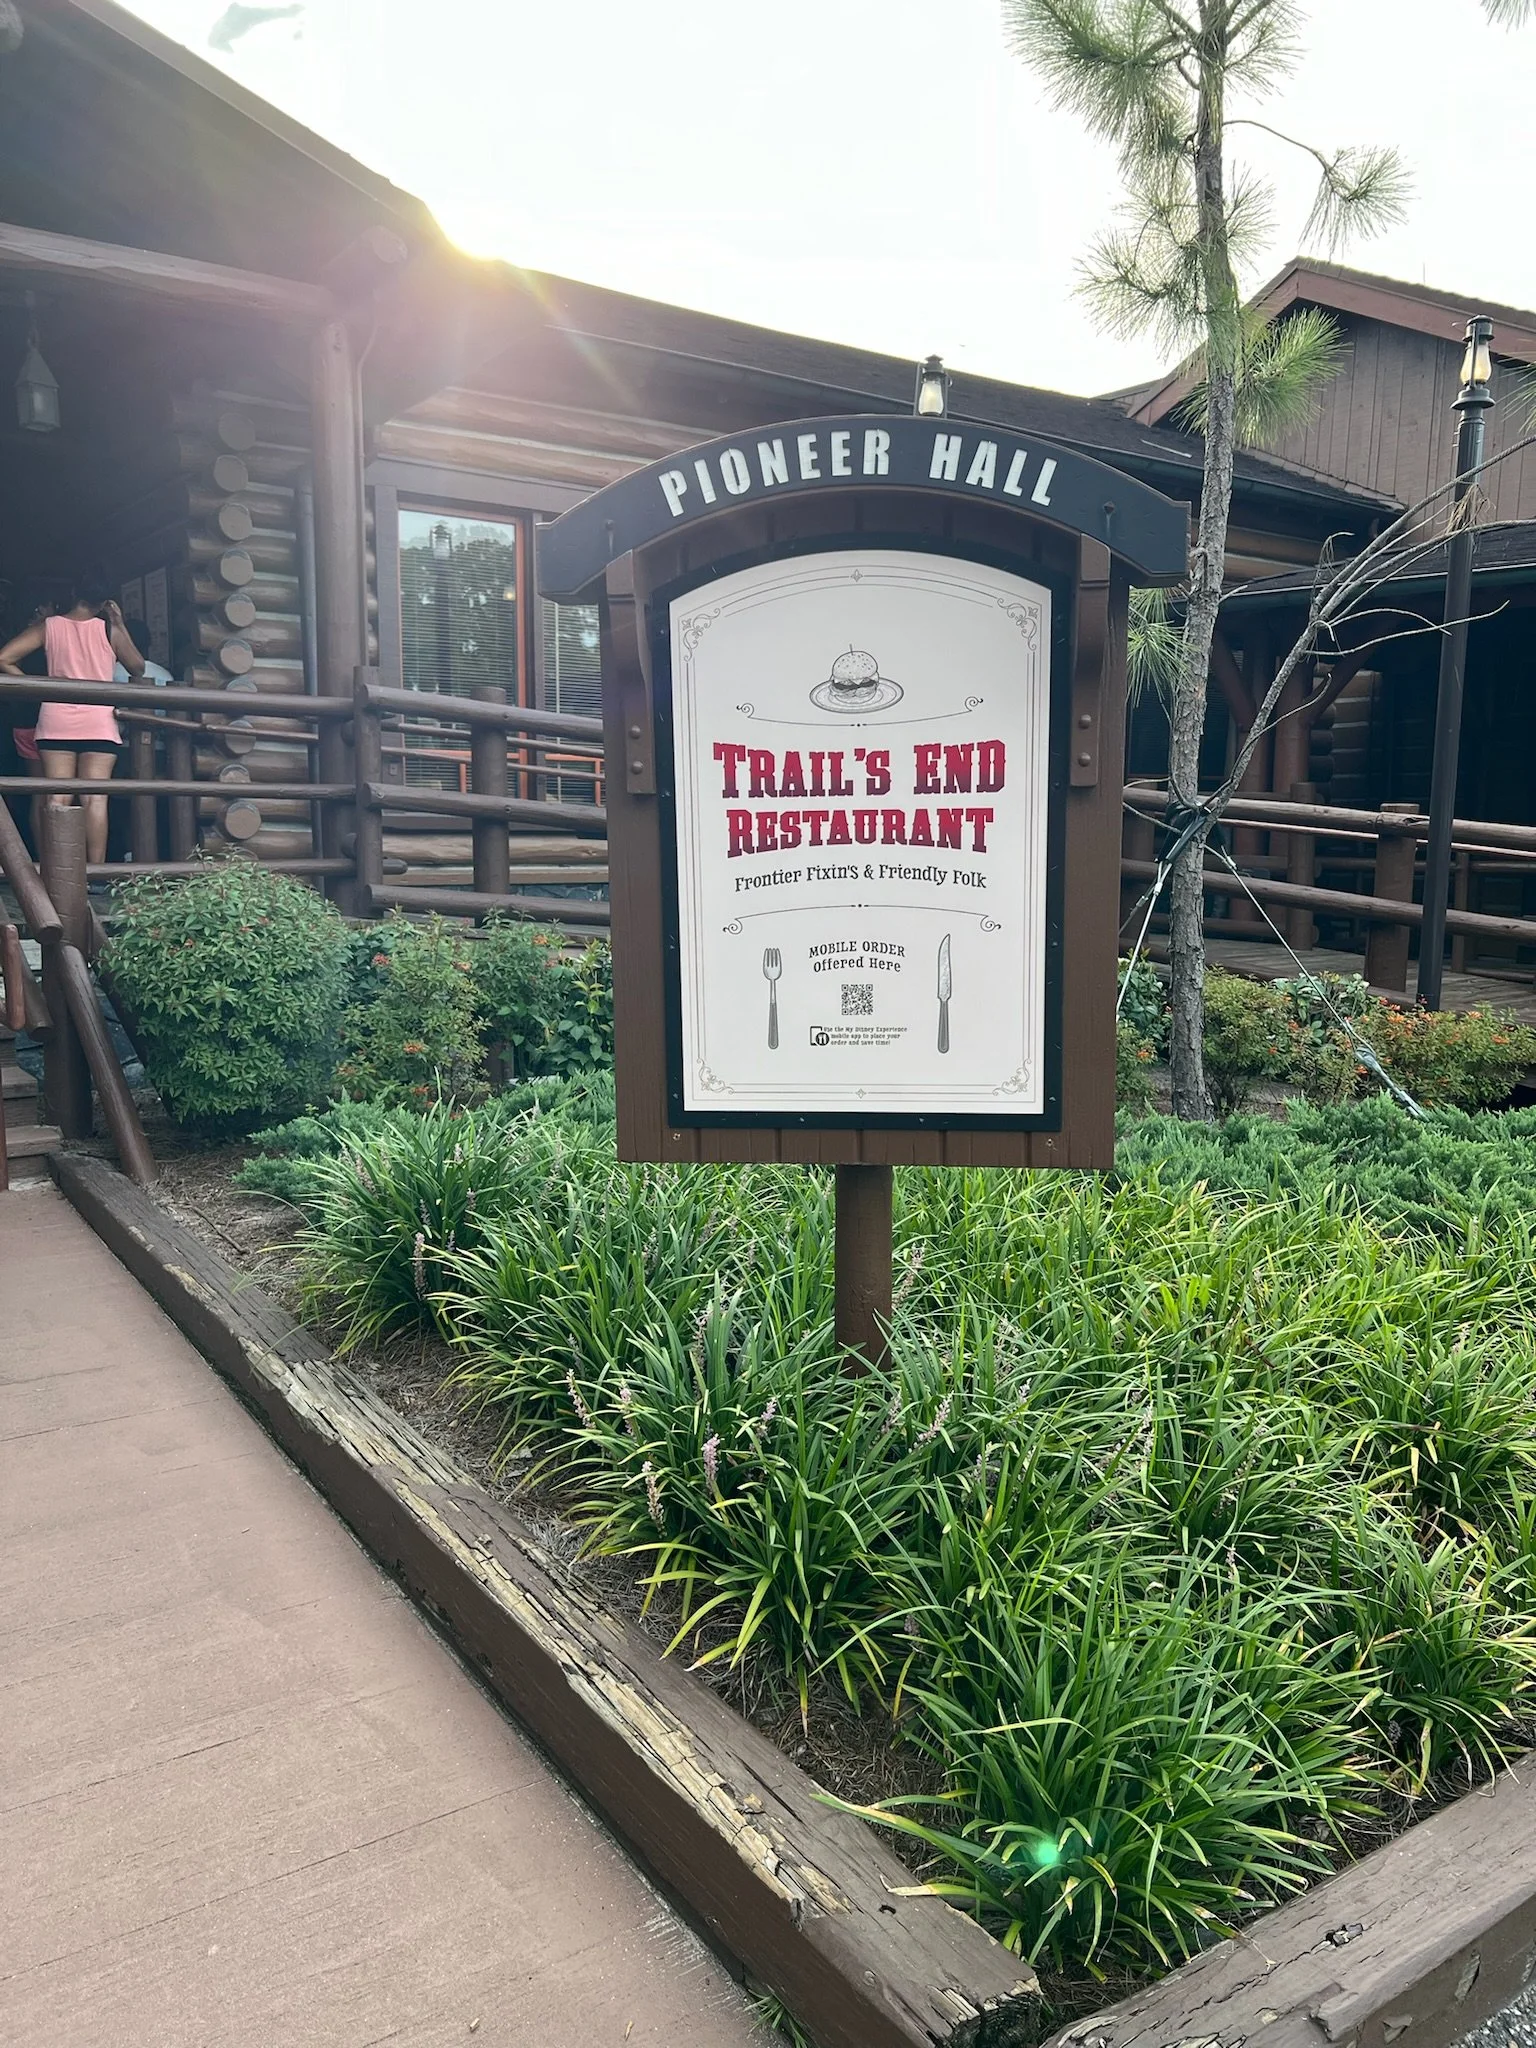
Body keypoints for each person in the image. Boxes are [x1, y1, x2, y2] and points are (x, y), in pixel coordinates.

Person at [0, 573, 144, 867]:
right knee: (95, 799)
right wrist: (118, 623)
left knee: (57, 798)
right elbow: (137, 667)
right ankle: (95, 875)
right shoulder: (108, 630)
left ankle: (56, 872)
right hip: (99, 721)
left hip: (56, 718)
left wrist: (35, 687)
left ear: (74, 592)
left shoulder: (49, 626)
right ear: (105, 602)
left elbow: (4, 658)